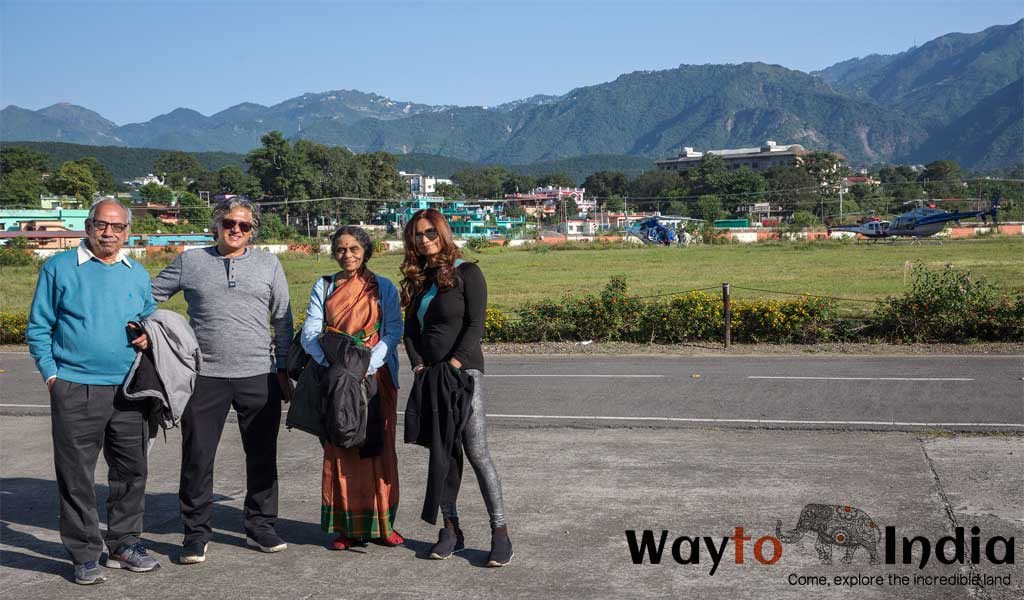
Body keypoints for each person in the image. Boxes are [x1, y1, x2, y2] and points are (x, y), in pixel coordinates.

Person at [150, 198, 294, 564]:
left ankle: (260, 526)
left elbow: (283, 318)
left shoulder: (268, 263)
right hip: (204, 376)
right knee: (198, 457)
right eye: (229, 222)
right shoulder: (191, 261)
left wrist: (284, 367)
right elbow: (147, 296)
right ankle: (196, 533)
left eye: (244, 226)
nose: (236, 230)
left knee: (262, 456)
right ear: (216, 224)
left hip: (259, 373)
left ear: (253, 230)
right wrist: (153, 331)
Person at [27, 199, 160, 585]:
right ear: (88, 226)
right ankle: (85, 553)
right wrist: (53, 377)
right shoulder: (58, 268)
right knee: (76, 476)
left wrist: (149, 337)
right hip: (75, 387)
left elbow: (149, 318)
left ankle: (124, 544)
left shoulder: (136, 273)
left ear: (127, 233)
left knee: (132, 471)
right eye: (102, 225)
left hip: (130, 391)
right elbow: (39, 327)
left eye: (117, 227)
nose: (109, 233)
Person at [400, 208, 513, 567]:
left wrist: (454, 364)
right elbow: (410, 332)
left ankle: (500, 533)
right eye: (417, 234)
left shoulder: (468, 273)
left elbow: (476, 326)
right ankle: (451, 530)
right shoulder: (419, 280)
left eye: (430, 232)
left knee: (477, 452)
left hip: (464, 376)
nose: (424, 239)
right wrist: (419, 365)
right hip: (431, 377)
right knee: (443, 456)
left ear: (443, 233)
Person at [300, 226, 404, 551]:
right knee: (341, 451)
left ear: (366, 251)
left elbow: (393, 330)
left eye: (354, 249)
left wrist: (365, 366)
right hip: (335, 381)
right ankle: (347, 529)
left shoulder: (382, 287)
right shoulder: (324, 285)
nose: (348, 255)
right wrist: (337, 369)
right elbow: (310, 332)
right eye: (341, 249)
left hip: (375, 378)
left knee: (378, 450)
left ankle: (383, 526)